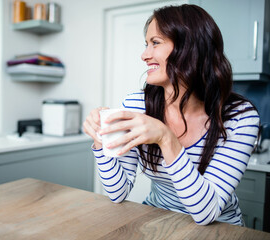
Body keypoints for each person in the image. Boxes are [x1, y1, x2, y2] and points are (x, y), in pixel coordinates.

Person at [82, 4, 260, 226]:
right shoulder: (137, 105)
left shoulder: (240, 117)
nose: (144, 55)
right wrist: (101, 140)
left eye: (155, 43)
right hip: (158, 220)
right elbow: (118, 192)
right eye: (146, 44)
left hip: (220, 229)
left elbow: (207, 212)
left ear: (191, 47)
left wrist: (166, 138)